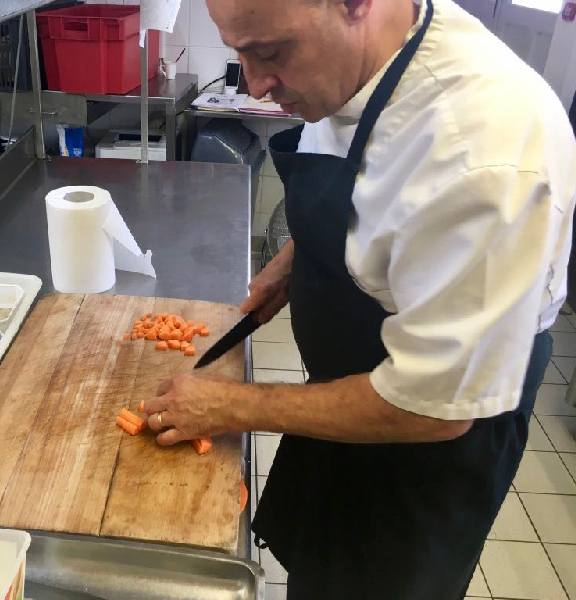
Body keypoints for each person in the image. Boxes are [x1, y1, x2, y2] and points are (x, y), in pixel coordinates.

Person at [142, 0, 576, 598]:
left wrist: (230, 406)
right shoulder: (359, 59)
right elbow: (373, 194)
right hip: (347, 391)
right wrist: (296, 260)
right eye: (238, 49)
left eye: (269, 53)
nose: (257, 84)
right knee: (318, 572)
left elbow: (434, 408)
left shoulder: (484, 155)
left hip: (426, 443)